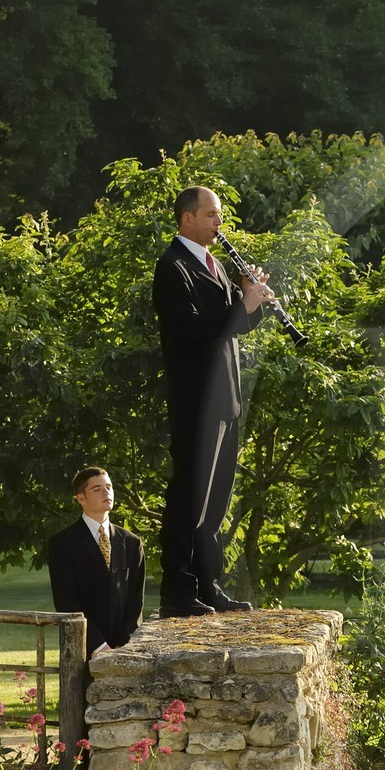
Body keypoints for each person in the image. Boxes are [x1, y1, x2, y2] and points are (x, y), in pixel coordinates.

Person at [152, 185, 275, 616]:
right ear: (187, 218)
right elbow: (191, 329)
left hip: (225, 398)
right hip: (197, 400)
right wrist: (242, 305)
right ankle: (178, 594)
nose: (219, 223)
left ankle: (208, 587)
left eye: (219, 215)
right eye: (211, 215)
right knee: (190, 497)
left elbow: (233, 327)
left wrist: (250, 297)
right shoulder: (172, 266)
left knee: (215, 501)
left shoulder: (215, 264)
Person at [48, 466, 145, 657]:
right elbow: (66, 600)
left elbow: (136, 599)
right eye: (97, 489)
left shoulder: (132, 543)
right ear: (81, 498)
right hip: (82, 649)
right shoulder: (62, 543)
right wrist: (99, 646)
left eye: (109, 487)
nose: (106, 492)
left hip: (125, 649)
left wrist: (125, 644)